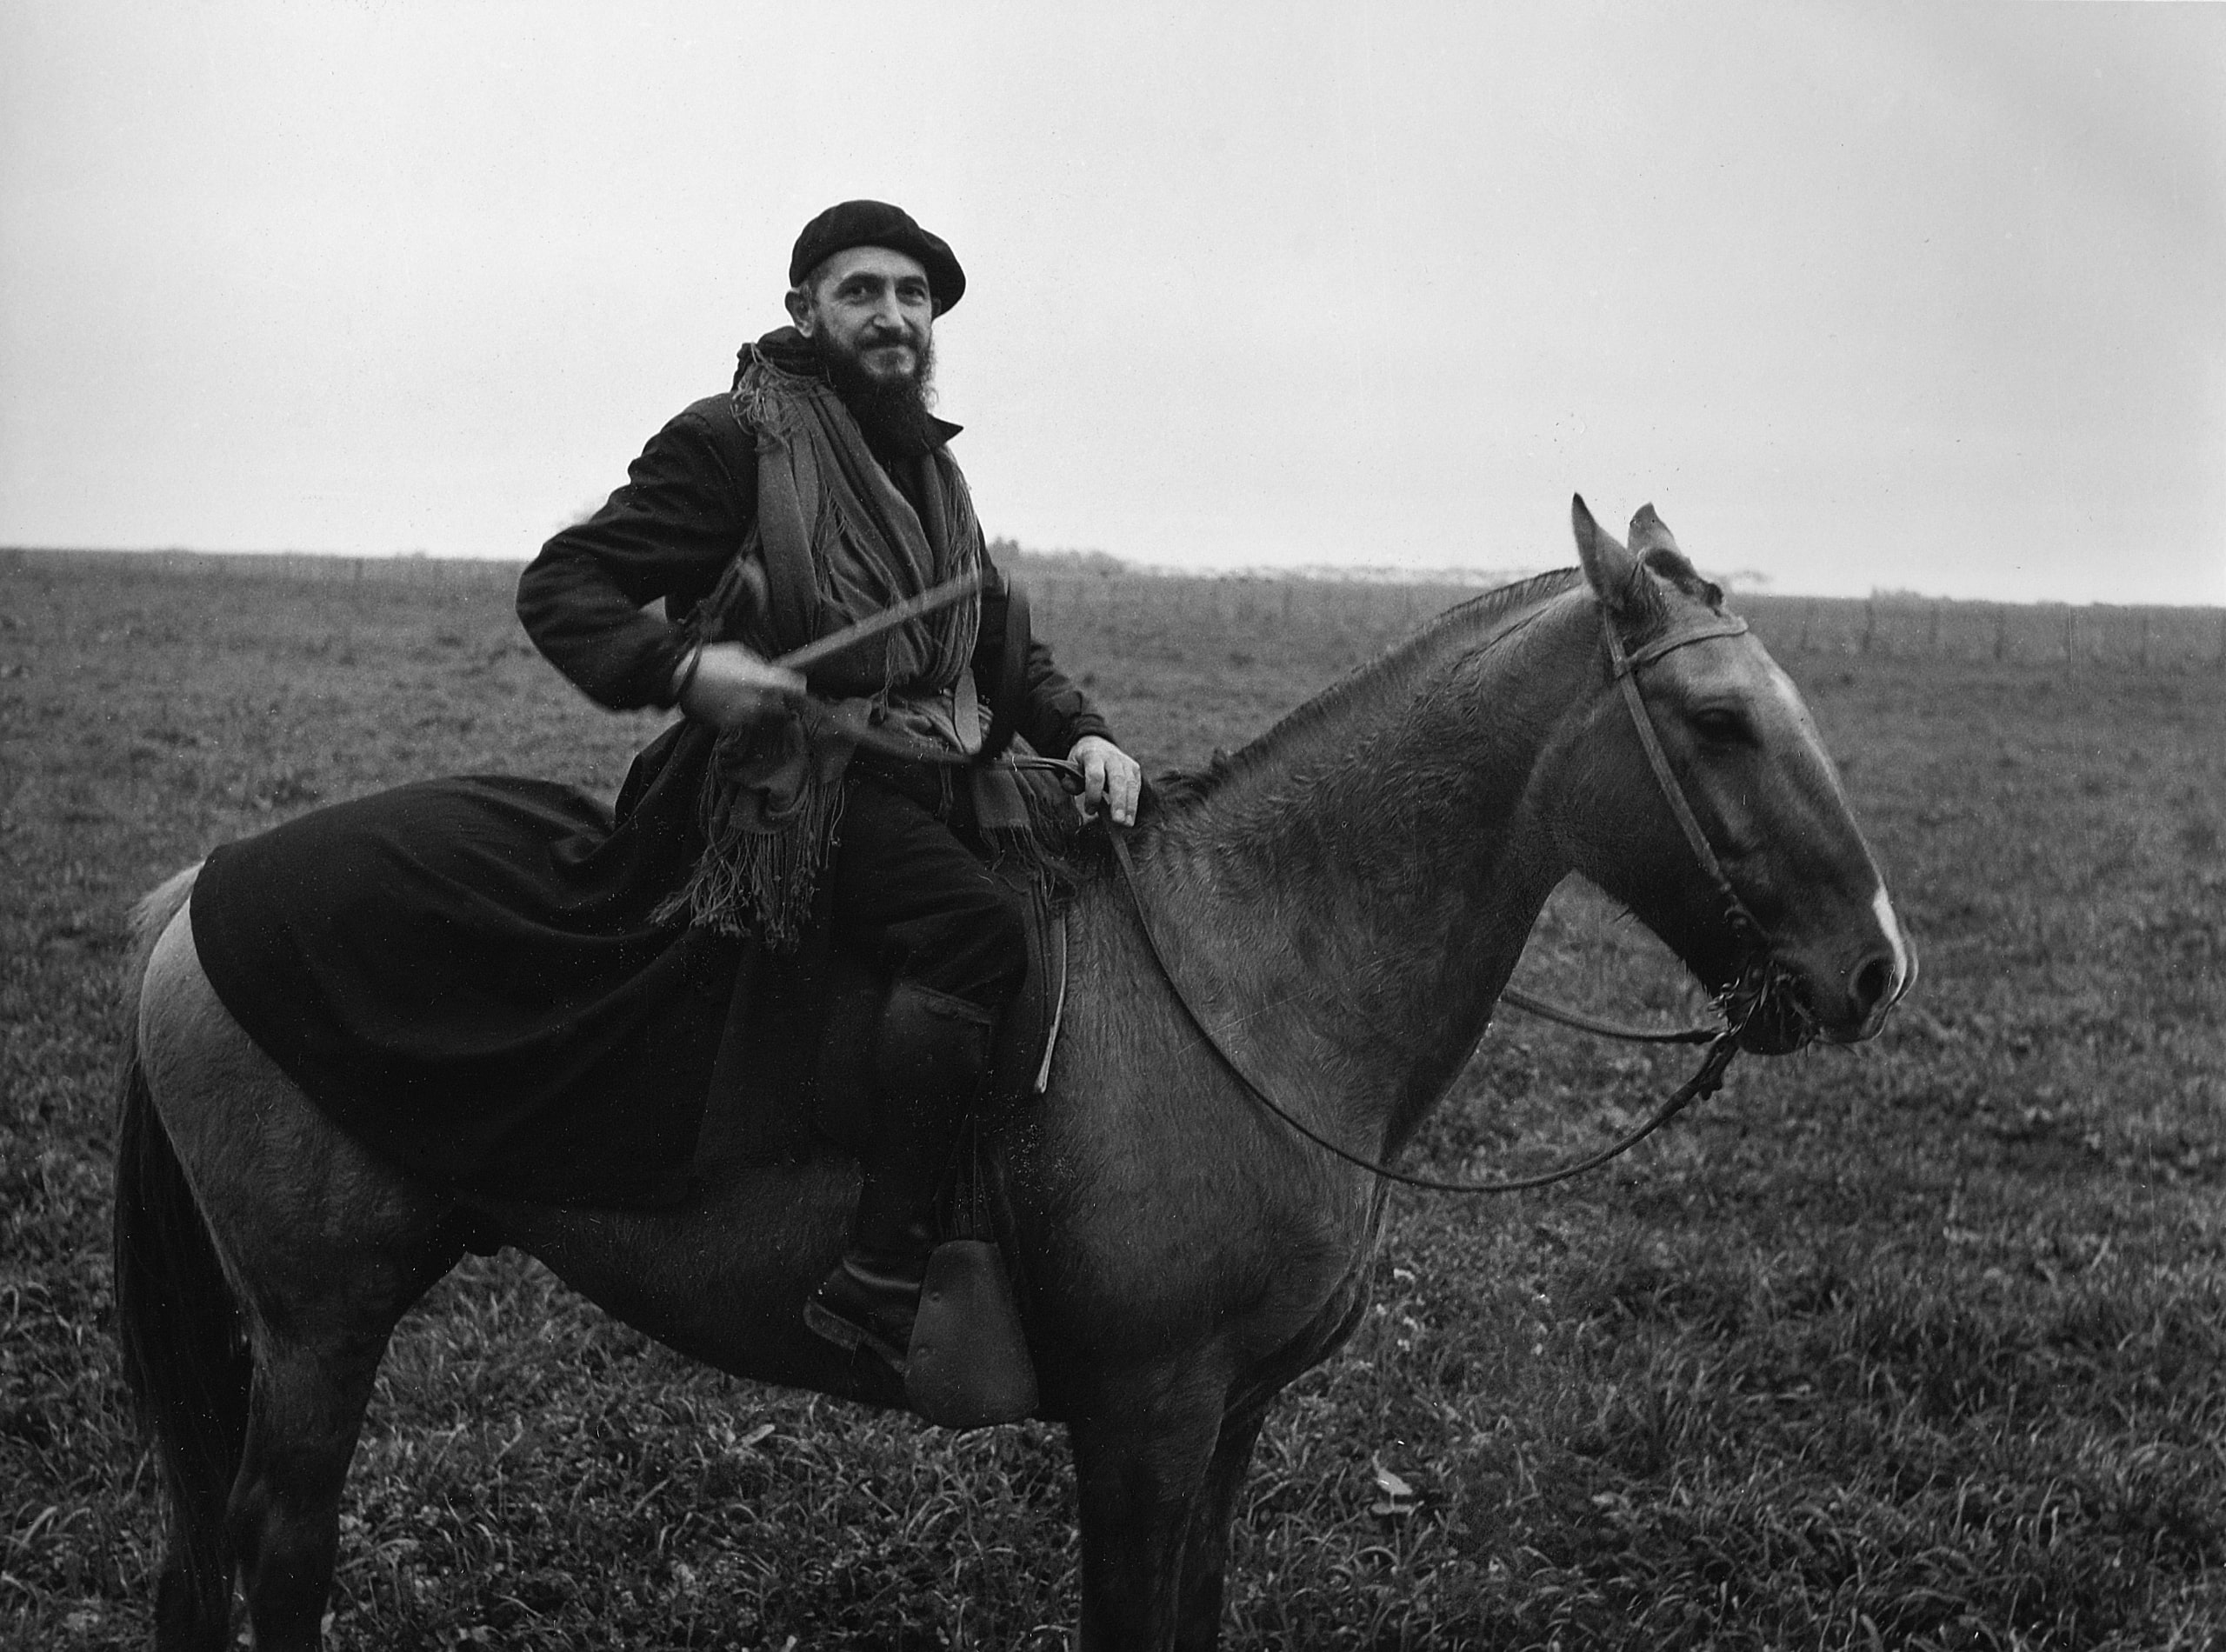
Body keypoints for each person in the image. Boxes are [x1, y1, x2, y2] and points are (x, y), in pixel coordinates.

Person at [516, 200, 1141, 1373]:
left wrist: (1091, 737)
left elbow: (994, 644)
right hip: (783, 789)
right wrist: (684, 666)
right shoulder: (732, 441)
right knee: (975, 934)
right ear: (805, 309)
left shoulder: (932, 468)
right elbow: (567, 585)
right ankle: (884, 1270)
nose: (894, 317)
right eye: (863, 292)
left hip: (926, 769)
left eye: (914, 297)